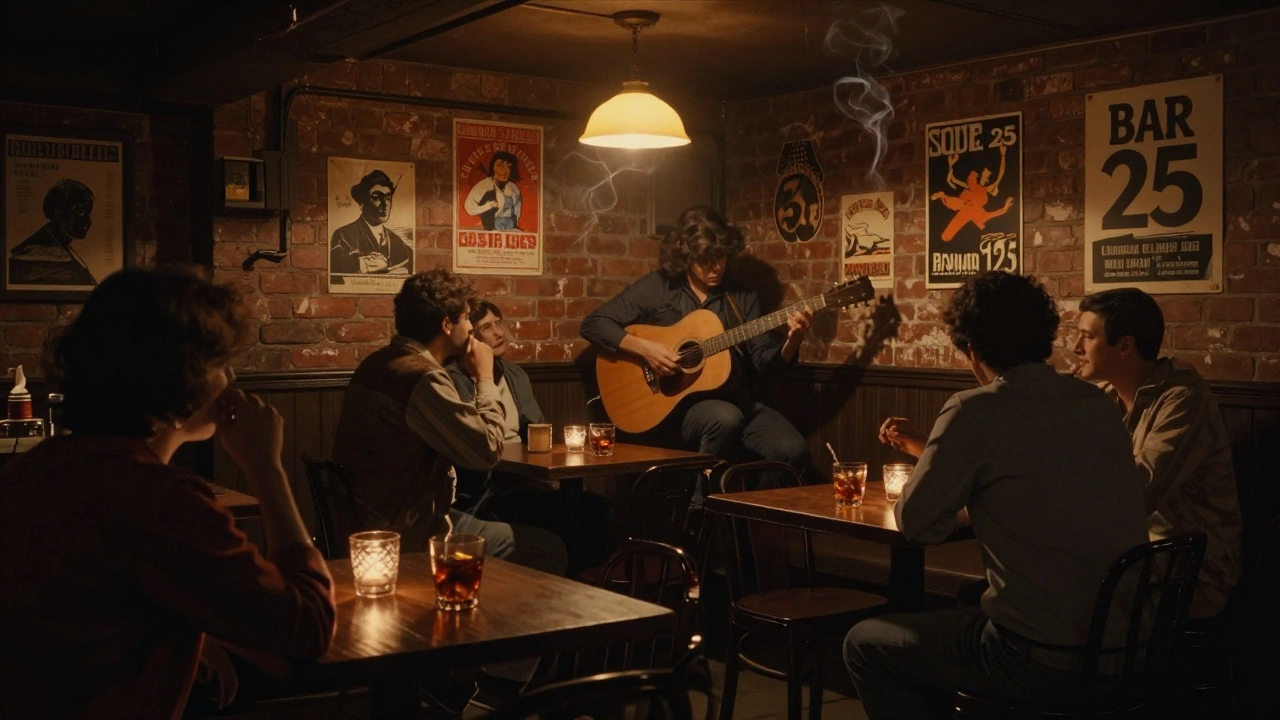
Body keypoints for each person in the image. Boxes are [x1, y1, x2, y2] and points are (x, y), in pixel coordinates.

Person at [0, 266, 336, 719]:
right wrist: (266, 468)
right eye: (219, 364)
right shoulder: (158, 499)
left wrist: (196, 639)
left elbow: (87, 616)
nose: (230, 378)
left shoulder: (35, 470)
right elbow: (308, 624)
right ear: (182, 383)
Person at [844, 271, 1148, 719]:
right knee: (972, 600)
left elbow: (917, 523)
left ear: (971, 348)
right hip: (1130, 651)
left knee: (864, 643)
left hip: (1043, 660)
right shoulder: (1097, 403)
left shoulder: (974, 408)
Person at [331, 269, 566, 571]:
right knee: (548, 549)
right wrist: (484, 377)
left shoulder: (376, 363)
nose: (469, 327)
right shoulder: (423, 378)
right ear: (446, 325)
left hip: (364, 519)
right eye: (466, 318)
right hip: (408, 531)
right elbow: (485, 451)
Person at [579, 205, 813, 485]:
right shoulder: (659, 287)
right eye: (706, 260)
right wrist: (647, 350)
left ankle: (749, 509)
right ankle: (701, 506)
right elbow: (594, 324)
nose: (717, 267)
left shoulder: (741, 296)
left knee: (792, 449)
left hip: (735, 399)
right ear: (687, 257)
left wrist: (793, 339)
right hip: (675, 408)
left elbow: (765, 362)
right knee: (724, 418)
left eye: (721, 257)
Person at [1073, 287, 1241, 620]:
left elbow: (1137, 492)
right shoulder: (1104, 398)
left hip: (1192, 573)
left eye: (1087, 337)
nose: (1076, 348)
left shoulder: (1183, 398)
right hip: (1134, 555)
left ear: (1125, 346)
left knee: (1057, 587)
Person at [448, 301, 615, 565]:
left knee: (597, 509)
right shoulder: (451, 380)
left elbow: (538, 429)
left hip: (522, 481)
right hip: (484, 489)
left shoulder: (514, 375)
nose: (499, 332)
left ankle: (574, 581)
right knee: (567, 518)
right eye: (487, 328)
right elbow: (471, 445)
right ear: (470, 337)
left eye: (499, 323)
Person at [8, 178, 98, 286]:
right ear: (58, 212)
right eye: (80, 211)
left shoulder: (64, 247)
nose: (88, 221)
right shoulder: (31, 255)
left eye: (89, 212)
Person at [329, 169, 413, 276]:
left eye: (388, 197)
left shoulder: (398, 243)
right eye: (376, 197)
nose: (385, 204)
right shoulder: (343, 236)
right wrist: (362, 264)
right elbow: (335, 267)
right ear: (362, 204)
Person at [931, 146, 1014, 242]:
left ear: (988, 176)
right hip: (967, 204)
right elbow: (954, 180)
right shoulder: (974, 184)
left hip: (975, 208)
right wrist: (951, 166)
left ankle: (944, 197)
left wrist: (1003, 155)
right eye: (984, 171)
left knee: (956, 222)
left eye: (986, 171)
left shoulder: (988, 188)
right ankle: (943, 197)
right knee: (957, 217)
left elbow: (1001, 174)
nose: (984, 171)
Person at [463, 151, 522, 231]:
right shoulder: (483, 186)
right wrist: (488, 206)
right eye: (500, 165)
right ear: (493, 167)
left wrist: (514, 225)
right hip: (491, 228)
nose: (505, 171)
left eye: (508, 166)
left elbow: (517, 211)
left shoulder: (513, 188)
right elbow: (469, 207)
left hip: (509, 227)